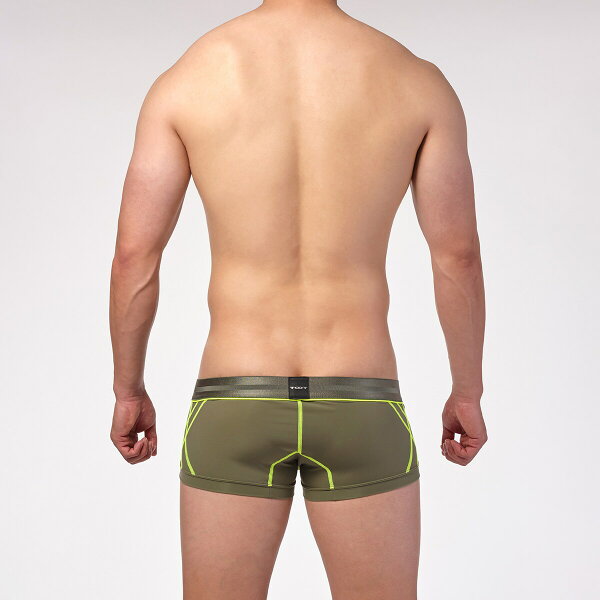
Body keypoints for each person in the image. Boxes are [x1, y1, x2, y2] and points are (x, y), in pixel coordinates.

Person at [109, 1, 487, 598]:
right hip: (362, 399)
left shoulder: (188, 79)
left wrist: (128, 390)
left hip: (234, 399)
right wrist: (467, 391)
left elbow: (135, 257)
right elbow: (457, 256)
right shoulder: (415, 81)